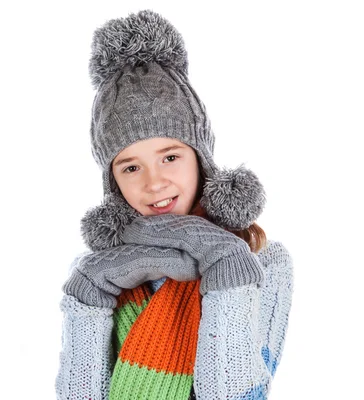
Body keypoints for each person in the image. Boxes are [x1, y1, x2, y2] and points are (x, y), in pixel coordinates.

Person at [55, 9, 294, 400]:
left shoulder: (264, 261)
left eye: (170, 157)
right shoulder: (96, 273)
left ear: (200, 157)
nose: (154, 183)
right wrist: (87, 293)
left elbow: (236, 394)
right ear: (112, 182)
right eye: (131, 167)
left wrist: (223, 258)